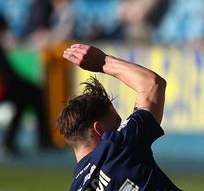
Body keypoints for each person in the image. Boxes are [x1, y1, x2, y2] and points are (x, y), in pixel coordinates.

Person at [56, 43, 180, 190]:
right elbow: (152, 84)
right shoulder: (116, 146)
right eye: (118, 124)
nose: (122, 127)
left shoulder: (77, 187)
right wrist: (103, 62)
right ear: (99, 129)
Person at [0, 15, 52, 156]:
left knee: (24, 99)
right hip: (4, 89)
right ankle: (43, 140)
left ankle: (9, 143)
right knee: (32, 94)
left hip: (7, 87)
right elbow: (8, 76)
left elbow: (9, 74)